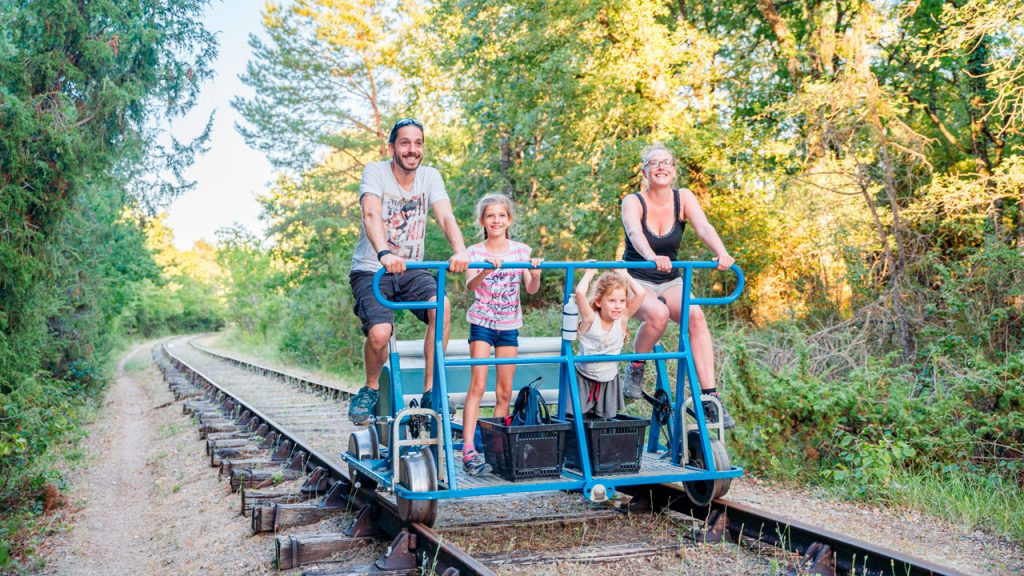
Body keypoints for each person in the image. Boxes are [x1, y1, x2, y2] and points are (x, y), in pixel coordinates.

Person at [347, 118, 470, 425]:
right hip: (373, 268)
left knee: (441, 308)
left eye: (417, 143)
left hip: (411, 268)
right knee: (380, 333)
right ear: (392, 147)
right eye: (404, 143)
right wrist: (384, 252)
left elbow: (445, 216)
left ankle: (431, 391)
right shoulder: (375, 172)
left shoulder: (430, 177)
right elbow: (371, 213)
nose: (412, 149)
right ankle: (371, 387)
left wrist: (460, 249)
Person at [621, 143, 737, 428]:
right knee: (657, 316)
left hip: (670, 278)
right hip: (636, 277)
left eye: (666, 163)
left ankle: (710, 399)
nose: (661, 167)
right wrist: (652, 257)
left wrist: (722, 253)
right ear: (645, 171)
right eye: (654, 163)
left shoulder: (683, 198)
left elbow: (704, 227)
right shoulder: (633, 201)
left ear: (673, 170)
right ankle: (636, 365)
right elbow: (635, 232)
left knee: (695, 315)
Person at [461, 194, 542, 475]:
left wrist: (535, 271)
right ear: (482, 221)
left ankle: (495, 448)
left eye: (501, 216)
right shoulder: (473, 252)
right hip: (482, 323)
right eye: (490, 216)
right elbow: (470, 285)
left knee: (505, 391)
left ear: (509, 220)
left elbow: (531, 288)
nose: (496, 221)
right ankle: (469, 448)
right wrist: (486, 269)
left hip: (509, 325)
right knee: (478, 385)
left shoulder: (521, 250)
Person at [571, 268, 645, 419]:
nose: (618, 306)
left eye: (622, 301)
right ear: (598, 302)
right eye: (612, 301)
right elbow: (580, 293)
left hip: (608, 379)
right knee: (578, 420)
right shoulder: (590, 319)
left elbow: (641, 294)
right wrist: (589, 273)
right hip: (583, 377)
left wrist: (624, 275)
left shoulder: (622, 319)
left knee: (602, 422)